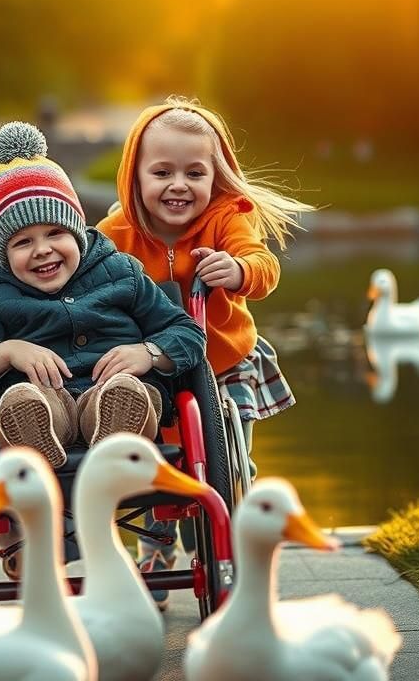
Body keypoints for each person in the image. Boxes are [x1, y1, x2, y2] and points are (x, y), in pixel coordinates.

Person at [0, 121, 207, 579]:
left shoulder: (122, 273)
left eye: (54, 234)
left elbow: (187, 334)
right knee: (23, 401)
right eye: (22, 242)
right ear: (4, 254)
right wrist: (8, 351)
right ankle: (35, 441)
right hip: (50, 406)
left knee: (126, 391)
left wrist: (148, 352)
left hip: (118, 392)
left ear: (77, 232)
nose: (42, 251)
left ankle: (114, 443)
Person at [97, 96, 313, 609]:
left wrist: (238, 272)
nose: (178, 185)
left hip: (223, 361)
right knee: (154, 452)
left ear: (215, 177)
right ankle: (156, 549)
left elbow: (263, 263)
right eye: (162, 172)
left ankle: (233, 508)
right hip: (152, 368)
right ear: (135, 176)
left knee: (224, 444)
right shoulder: (114, 236)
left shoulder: (226, 218)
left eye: (195, 172)